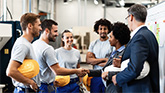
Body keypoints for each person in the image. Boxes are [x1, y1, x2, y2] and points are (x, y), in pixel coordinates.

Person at [110, 4, 159, 92]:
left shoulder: (140, 37)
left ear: (131, 17)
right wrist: (123, 62)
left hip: (138, 88)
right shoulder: (149, 34)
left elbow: (134, 69)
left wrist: (117, 78)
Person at [32, 19, 86, 93]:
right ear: (47, 31)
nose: (57, 34)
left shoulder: (34, 44)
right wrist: (77, 71)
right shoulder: (48, 49)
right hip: (46, 87)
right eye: (55, 31)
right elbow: (57, 70)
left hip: (39, 84)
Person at [87, 22, 130, 93]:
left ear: (117, 39)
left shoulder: (124, 54)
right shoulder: (115, 53)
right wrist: (88, 71)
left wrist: (108, 73)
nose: (109, 39)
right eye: (100, 29)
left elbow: (126, 72)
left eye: (111, 37)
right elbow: (104, 69)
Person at [6, 13, 42, 93]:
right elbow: (10, 71)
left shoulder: (27, 43)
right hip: (24, 90)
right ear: (30, 26)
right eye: (38, 25)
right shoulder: (23, 45)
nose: (40, 28)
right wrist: (30, 82)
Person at [86, 18, 113, 93]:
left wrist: (95, 60)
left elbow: (112, 62)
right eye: (100, 29)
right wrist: (104, 59)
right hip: (95, 76)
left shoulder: (111, 43)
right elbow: (88, 60)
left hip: (107, 75)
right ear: (97, 30)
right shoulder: (93, 44)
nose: (103, 31)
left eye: (105, 29)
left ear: (108, 30)